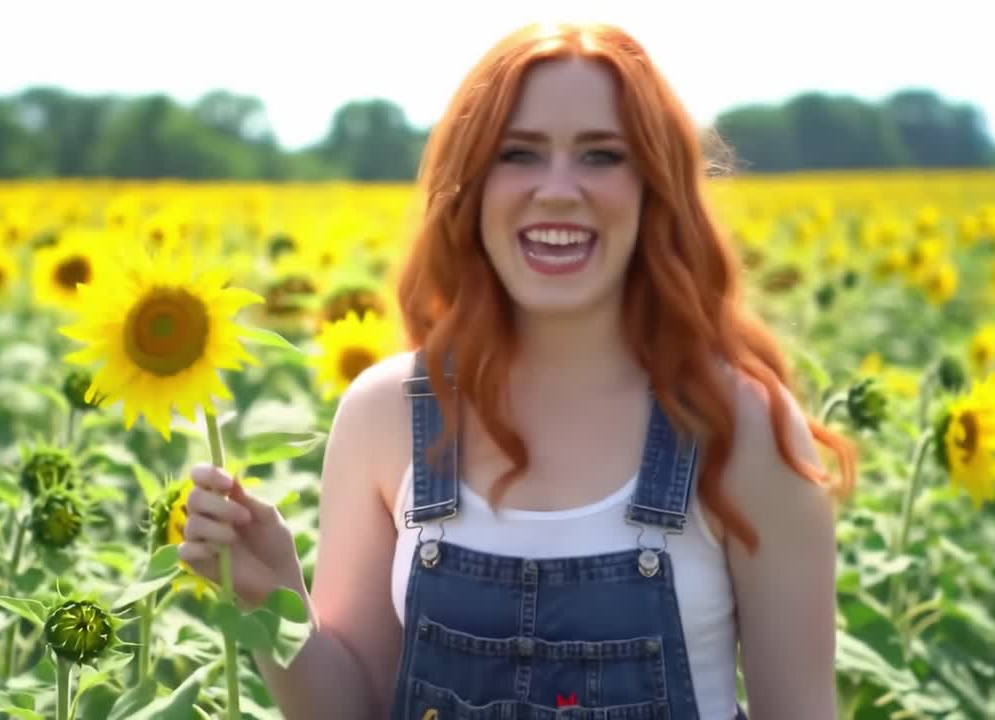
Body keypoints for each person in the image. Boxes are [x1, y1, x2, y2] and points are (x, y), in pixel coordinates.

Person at [179, 20, 857, 720]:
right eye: (519, 155)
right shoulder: (387, 414)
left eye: (601, 156)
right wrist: (273, 600)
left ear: (657, 189)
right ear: (467, 187)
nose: (558, 190)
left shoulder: (737, 427)